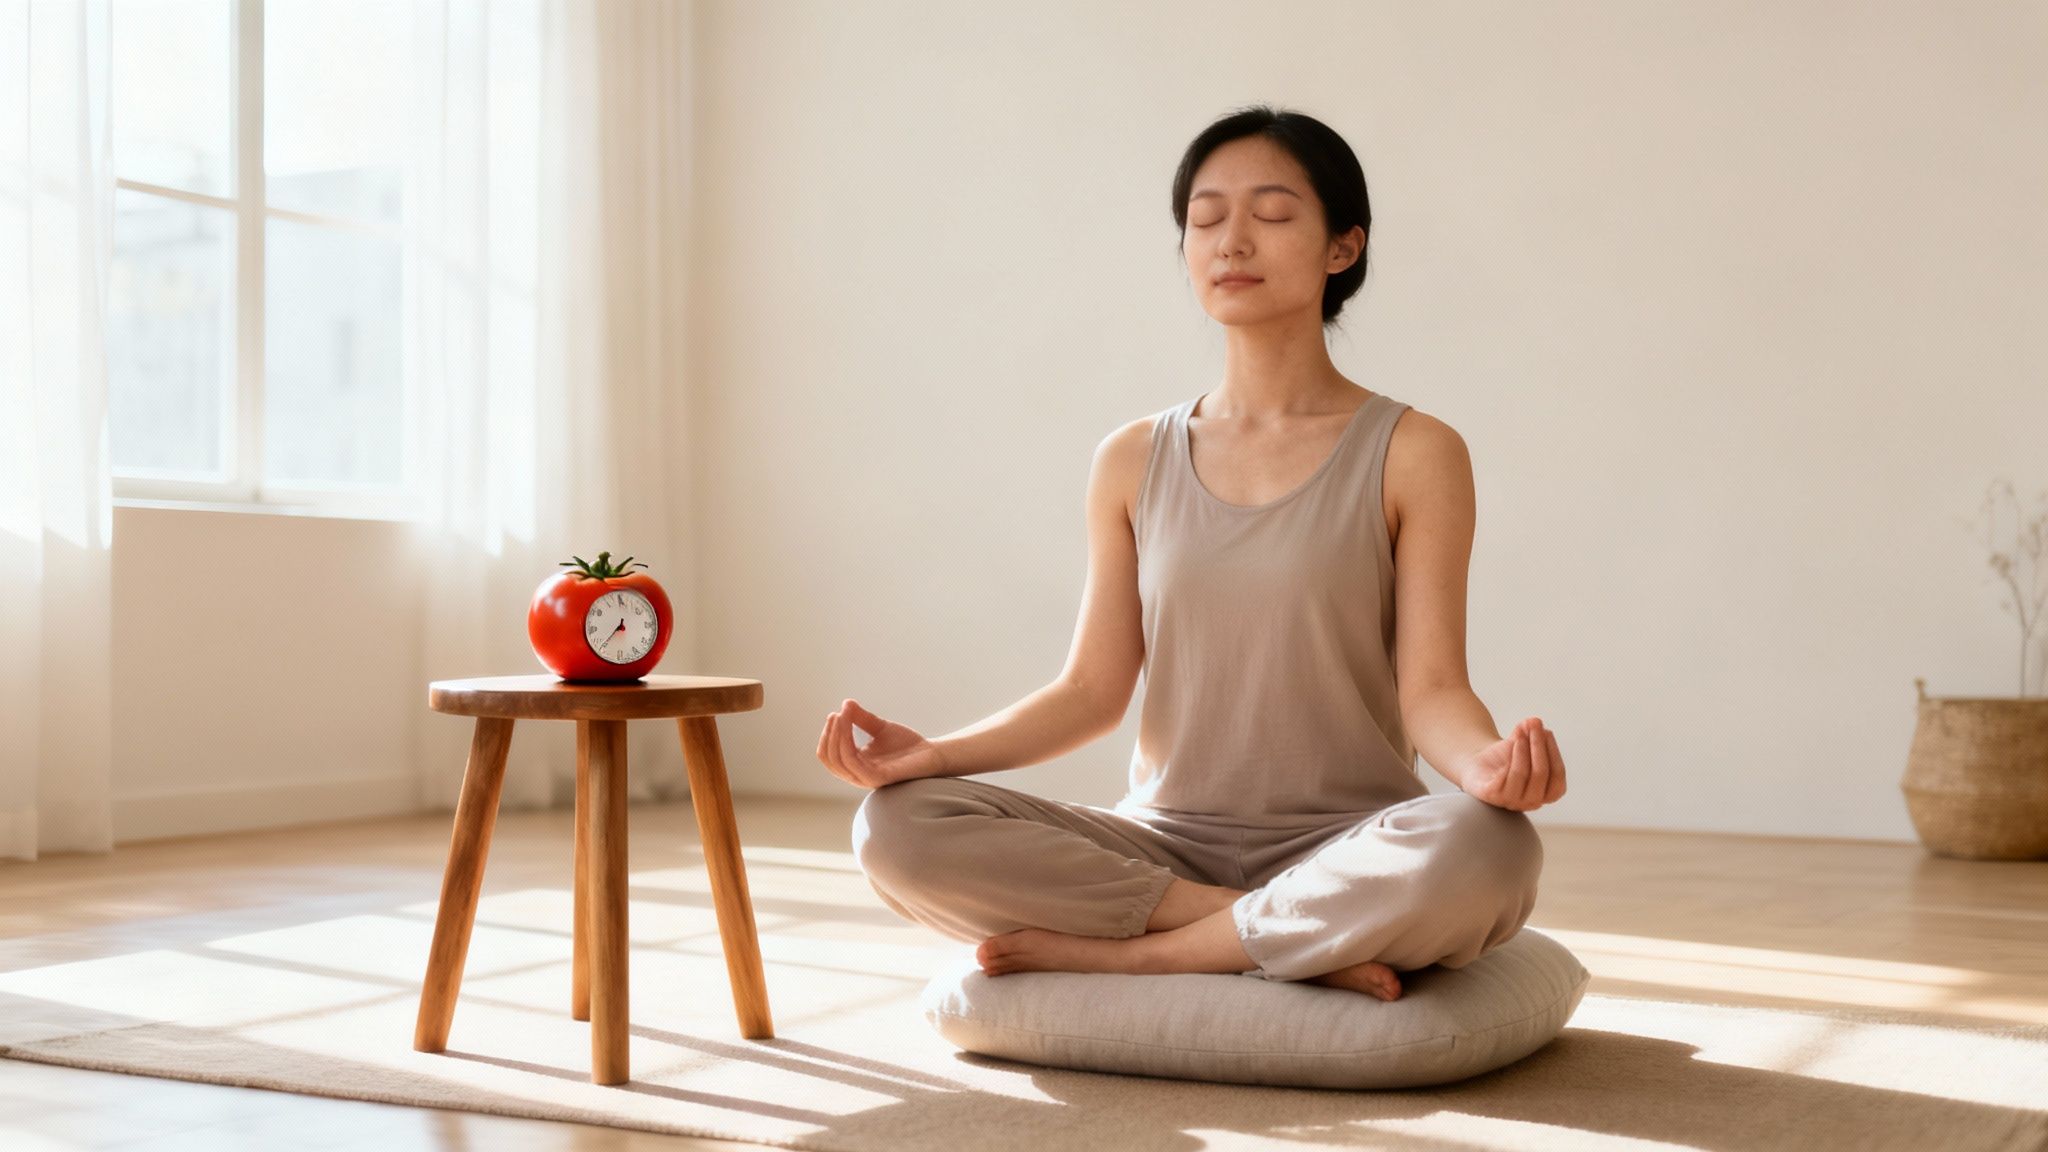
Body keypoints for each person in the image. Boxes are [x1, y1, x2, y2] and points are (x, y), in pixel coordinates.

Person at [817, 104, 1566, 1002]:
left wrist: (1486, 766)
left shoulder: (1416, 451)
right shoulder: (1132, 458)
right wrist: (934, 756)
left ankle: (1147, 954)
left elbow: (1433, 690)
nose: (1232, 242)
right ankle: (1267, 925)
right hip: (1164, 844)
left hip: (1352, 840)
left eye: (1274, 214)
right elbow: (1091, 692)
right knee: (895, 828)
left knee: (1493, 846)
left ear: (1343, 247)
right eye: (1206, 219)